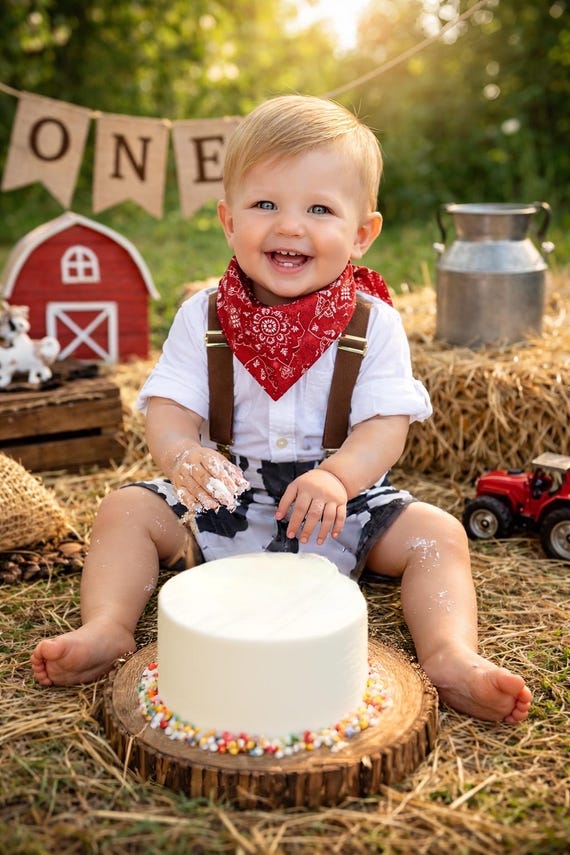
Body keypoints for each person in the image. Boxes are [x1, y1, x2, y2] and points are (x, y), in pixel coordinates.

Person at [31, 95, 532, 723]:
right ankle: (107, 628)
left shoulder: (372, 323)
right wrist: (183, 451)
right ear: (227, 220)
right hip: (226, 493)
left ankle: (450, 654)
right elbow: (169, 407)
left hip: (339, 503)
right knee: (127, 508)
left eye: (320, 209)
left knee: (437, 534)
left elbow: (385, 426)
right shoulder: (204, 314)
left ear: (362, 234)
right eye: (265, 204)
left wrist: (340, 476)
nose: (290, 226)